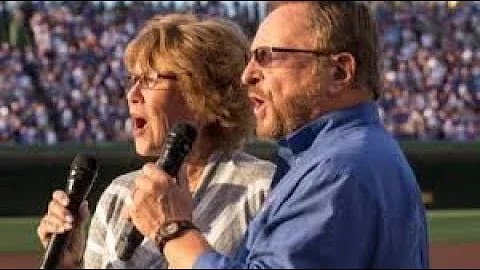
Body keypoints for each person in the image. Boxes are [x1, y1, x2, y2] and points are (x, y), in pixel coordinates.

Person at [125, 1, 430, 269]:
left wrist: (172, 230)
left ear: (339, 72)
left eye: (267, 56)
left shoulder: (339, 170)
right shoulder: (345, 156)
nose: (247, 75)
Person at [36, 13, 275, 269]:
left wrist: (172, 230)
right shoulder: (119, 195)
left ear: (205, 94)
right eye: (132, 79)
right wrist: (68, 266)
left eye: (150, 79)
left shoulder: (264, 190)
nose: (132, 95)